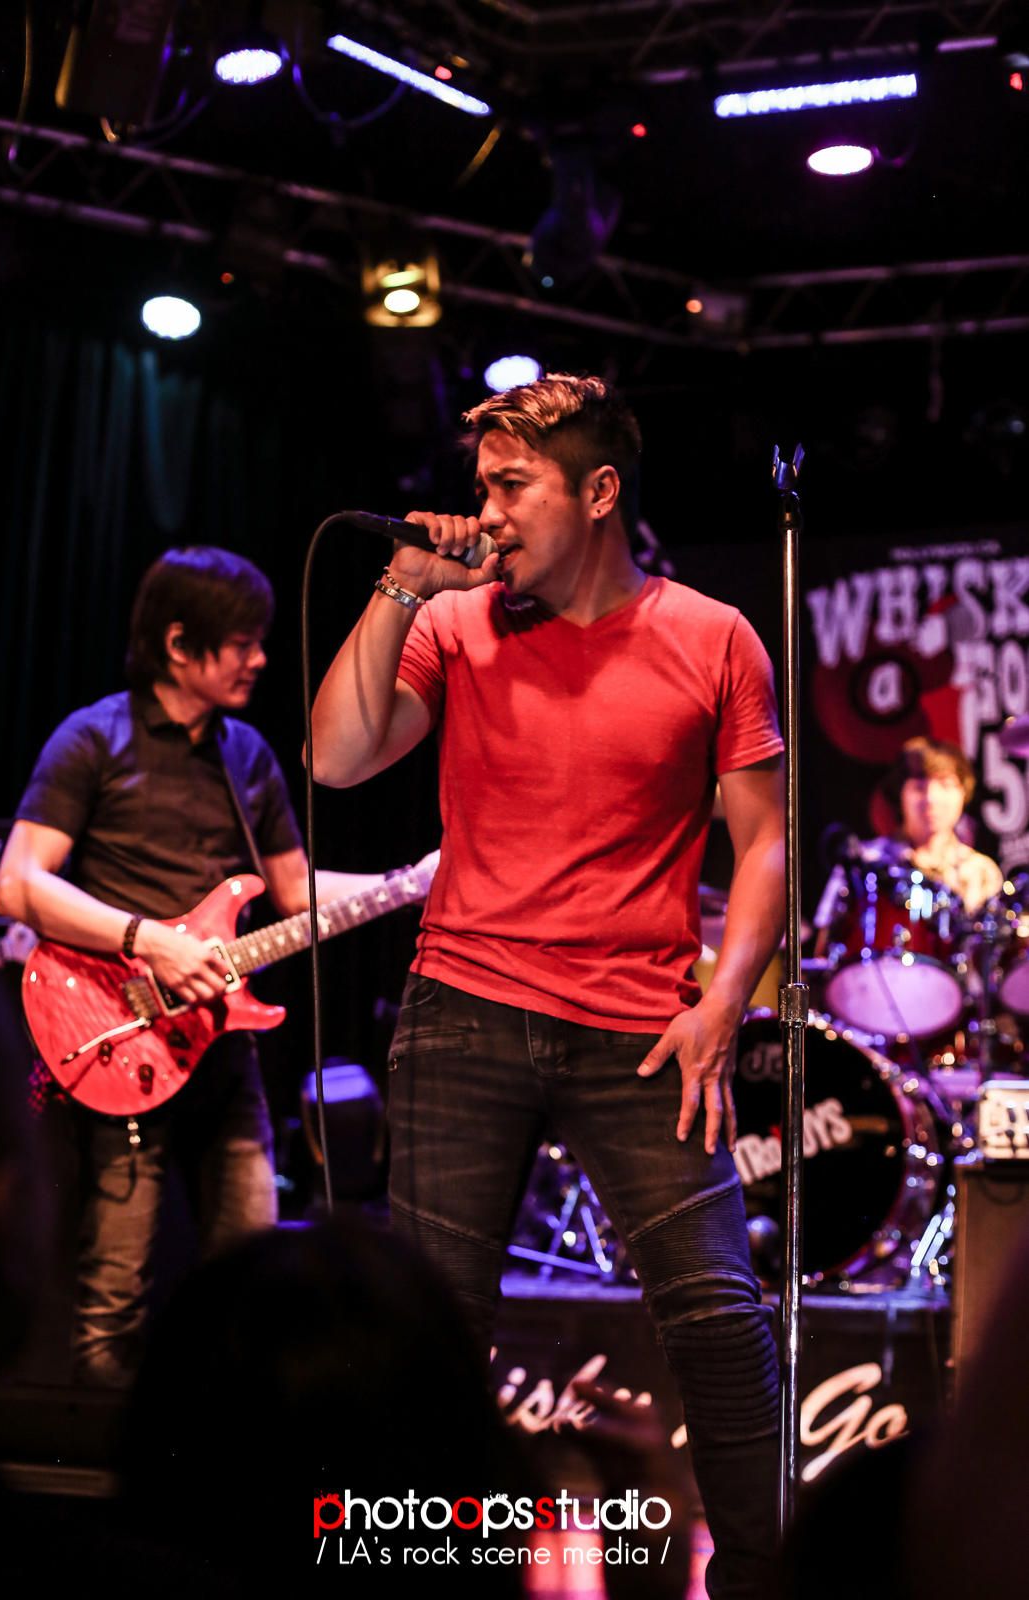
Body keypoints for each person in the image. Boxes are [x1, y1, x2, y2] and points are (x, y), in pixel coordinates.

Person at [309, 374, 786, 1599]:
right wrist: (403, 583)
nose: (487, 512)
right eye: (481, 486)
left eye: (511, 486)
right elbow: (338, 755)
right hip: (462, 1014)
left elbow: (763, 841)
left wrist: (723, 1000)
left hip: (640, 1030)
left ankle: (764, 1580)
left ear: (598, 491)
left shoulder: (713, 635)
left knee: (720, 1318)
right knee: (430, 1335)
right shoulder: (454, 622)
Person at [0, 546, 415, 1388]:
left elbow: (294, 891)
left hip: (223, 1050)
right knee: (114, 1294)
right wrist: (149, 940)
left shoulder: (247, 754)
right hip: (122, 1040)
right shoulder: (92, 738)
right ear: (180, 645)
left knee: (253, 1274)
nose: (260, 658)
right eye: (242, 643)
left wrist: (411, 883)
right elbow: (19, 882)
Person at [814, 735, 1003, 936]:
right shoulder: (863, 862)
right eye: (919, 787)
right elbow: (827, 944)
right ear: (901, 793)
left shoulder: (982, 872)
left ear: (964, 793)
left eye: (945, 785)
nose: (931, 798)